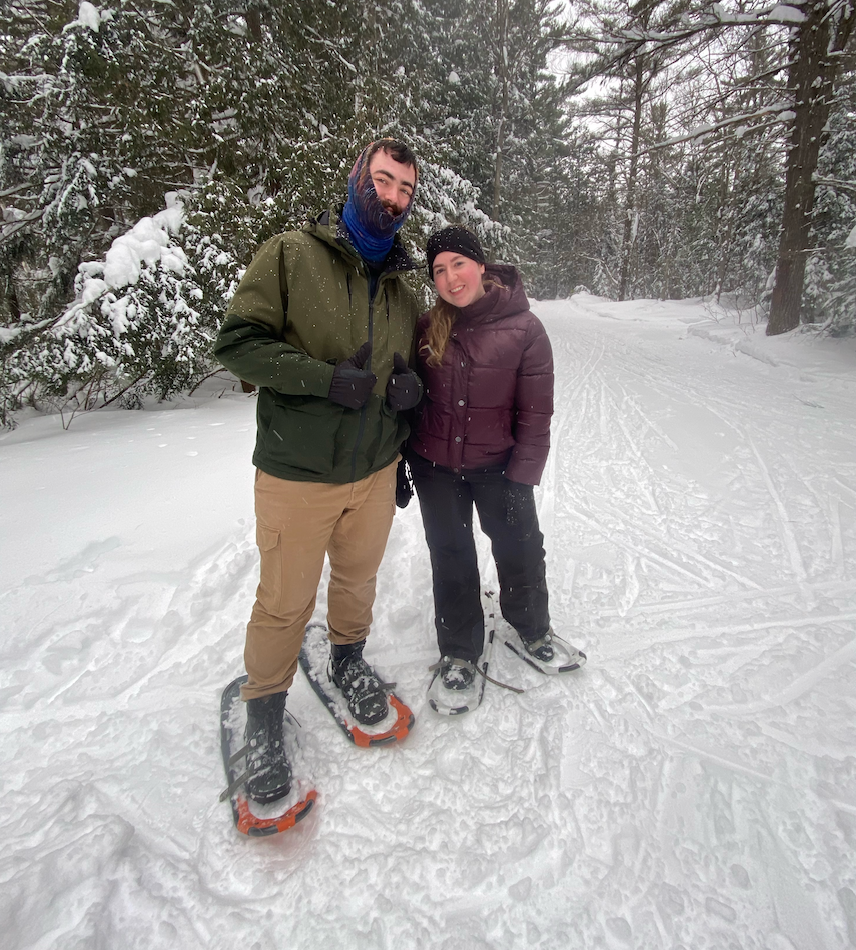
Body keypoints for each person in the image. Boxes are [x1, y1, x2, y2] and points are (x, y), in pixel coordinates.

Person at [213, 139, 423, 803]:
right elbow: (237, 346)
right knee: (284, 600)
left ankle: (349, 659)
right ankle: (265, 713)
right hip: (298, 475)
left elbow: (402, 368)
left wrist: (404, 399)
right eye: (383, 180)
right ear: (358, 176)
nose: (391, 196)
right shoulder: (291, 255)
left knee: (358, 582)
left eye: (404, 191)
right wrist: (325, 381)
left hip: (374, 471)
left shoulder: (400, 287)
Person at [407, 225, 557, 693]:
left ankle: (532, 626)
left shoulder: (524, 327)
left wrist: (523, 476)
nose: (451, 278)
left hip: (499, 467)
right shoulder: (427, 327)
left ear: (480, 264)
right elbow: (412, 402)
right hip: (435, 468)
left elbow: (536, 411)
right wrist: (400, 456)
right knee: (449, 557)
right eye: (439, 270)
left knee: (520, 545)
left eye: (458, 264)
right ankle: (458, 647)